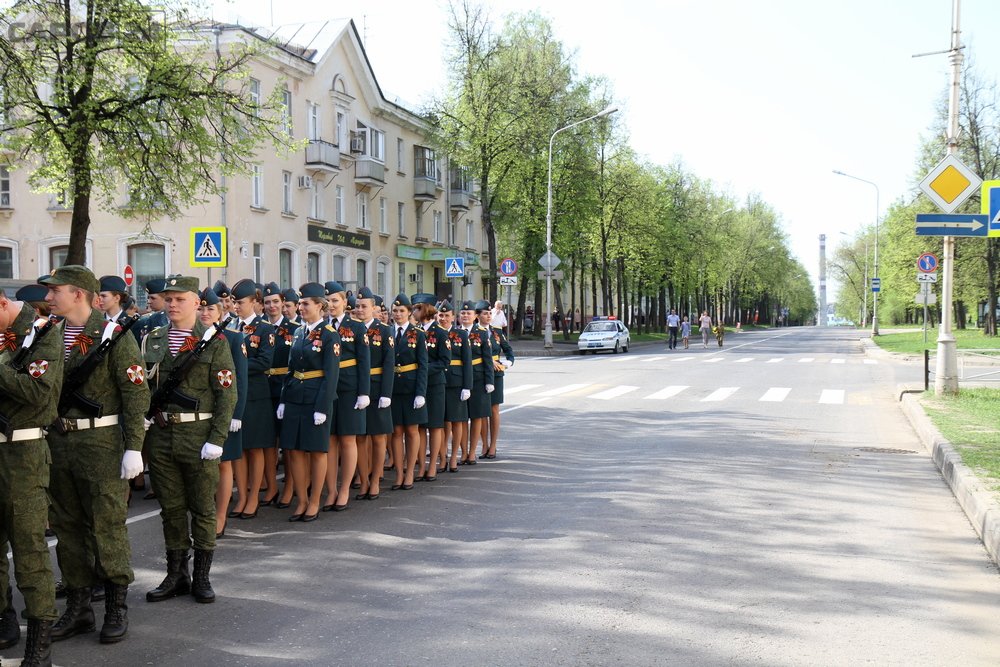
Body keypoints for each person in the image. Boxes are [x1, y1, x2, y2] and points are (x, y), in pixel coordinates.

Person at [41, 266, 150, 645]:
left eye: (55, 291)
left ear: (79, 294)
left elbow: (135, 393)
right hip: (58, 443)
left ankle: (116, 606)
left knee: (107, 527)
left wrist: (134, 446)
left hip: (101, 444)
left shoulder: (113, 335)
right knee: (67, 529)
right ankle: (79, 607)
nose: (49, 297)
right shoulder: (49, 334)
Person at [142, 275, 237, 605]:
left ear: (197, 303)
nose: (172, 304)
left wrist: (217, 438)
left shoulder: (213, 341)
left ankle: (202, 576)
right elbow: (144, 387)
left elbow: (226, 394)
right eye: (168, 299)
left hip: (198, 436)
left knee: (202, 508)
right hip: (161, 435)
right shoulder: (153, 338)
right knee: (170, 509)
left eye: (180, 299)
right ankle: (176, 574)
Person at [0, 282, 65, 665]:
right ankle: (3, 617)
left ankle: (39, 643)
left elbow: (39, 393)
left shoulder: (42, 333)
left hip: (23, 455)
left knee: (29, 550)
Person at [276, 283, 340, 522]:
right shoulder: (298, 332)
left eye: (305, 304)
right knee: (294, 450)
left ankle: (314, 501)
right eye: (300, 304)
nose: (300, 308)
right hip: (295, 397)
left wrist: (322, 407)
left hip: (316, 399)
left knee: (316, 450)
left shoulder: (330, 334)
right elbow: (291, 369)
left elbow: (331, 375)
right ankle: (301, 500)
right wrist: (283, 400)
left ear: (320, 306)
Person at [197, 288, 247, 540]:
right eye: (201, 308)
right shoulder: (190, 336)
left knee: (224, 463)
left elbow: (241, 380)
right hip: (198, 413)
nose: (205, 313)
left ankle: (220, 516)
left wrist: (236, 414)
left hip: (224, 411)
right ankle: (203, 514)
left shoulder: (233, 338)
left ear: (220, 311)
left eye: (210, 309)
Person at [228, 279, 275, 520]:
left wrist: (238, 366)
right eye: (234, 302)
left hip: (256, 395)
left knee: (255, 448)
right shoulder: (231, 326)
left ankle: (254, 496)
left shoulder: (265, 329)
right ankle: (242, 496)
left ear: (255, 302)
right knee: (239, 448)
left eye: (240, 302)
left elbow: (265, 361)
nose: (236, 306)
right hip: (235, 395)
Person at [322, 281, 370, 512]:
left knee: (348, 439)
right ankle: (331, 490)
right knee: (330, 441)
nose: (331, 305)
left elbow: (364, 362)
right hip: (326, 388)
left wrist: (364, 392)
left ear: (344, 302)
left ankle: (344, 489)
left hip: (349, 389)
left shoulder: (357, 327)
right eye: (327, 301)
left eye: (335, 300)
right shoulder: (321, 326)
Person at [354, 288, 393, 500]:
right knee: (360, 437)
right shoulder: (350, 329)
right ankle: (364, 480)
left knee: (378, 437)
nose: (360, 310)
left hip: (377, 388)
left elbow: (388, 364)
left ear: (373, 308)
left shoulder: (384, 330)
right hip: (357, 389)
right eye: (357, 306)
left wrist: (386, 393)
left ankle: (376, 480)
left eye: (364, 306)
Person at [388, 294, 428, 490]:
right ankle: (399, 473)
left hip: (411, 388)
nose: (397, 314)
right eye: (395, 311)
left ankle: (410, 471)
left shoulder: (418, 334)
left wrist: (421, 392)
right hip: (393, 388)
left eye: (401, 311)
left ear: (409, 312)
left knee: (412, 431)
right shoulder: (387, 332)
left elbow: (423, 365)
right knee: (396, 432)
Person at [412, 294, 451, 480]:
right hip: (417, 385)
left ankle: (433, 464)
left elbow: (444, 361)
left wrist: (423, 369)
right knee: (420, 427)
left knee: (435, 426)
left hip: (434, 384)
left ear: (425, 309)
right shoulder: (414, 331)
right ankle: (421, 466)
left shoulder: (440, 332)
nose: (413, 312)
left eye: (417, 308)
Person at [438, 301, 471, 472]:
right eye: (441, 315)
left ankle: (453, 457)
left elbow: (467, 362)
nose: (443, 318)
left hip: (456, 383)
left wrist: (467, 386)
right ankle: (442, 456)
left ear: (453, 317)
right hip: (438, 382)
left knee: (457, 421)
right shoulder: (433, 334)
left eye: (446, 315)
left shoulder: (461, 335)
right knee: (442, 421)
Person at [459, 300, 494, 465]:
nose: (465, 316)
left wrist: (489, 381)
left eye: (469, 313)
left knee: (476, 416)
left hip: (478, 378)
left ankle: (472, 451)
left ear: (475, 316)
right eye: (463, 313)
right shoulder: (455, 332)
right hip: (460, 379)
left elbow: (487, 358)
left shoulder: (481, 333)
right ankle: (463, 452)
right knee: (461, 417)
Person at [479, 301, 513, 460]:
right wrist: (487, 361)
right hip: (480, 373)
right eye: (485, 313)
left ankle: (493, 445)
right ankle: (484, 445)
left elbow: (508, 350)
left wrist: (508, 362)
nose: (488, 316)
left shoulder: (497, 332)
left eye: (489, 313)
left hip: (496, 374)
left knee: (493, 410)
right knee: (481, 411)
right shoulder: (473, 332)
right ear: (478, 316)